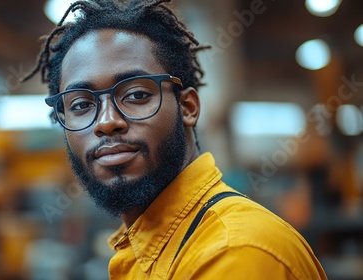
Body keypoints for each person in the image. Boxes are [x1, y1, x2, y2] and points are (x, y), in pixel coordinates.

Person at [21, 0, 327, 279]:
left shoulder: (235, 254)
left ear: (188, 107)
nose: (106, 122)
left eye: (136, 95)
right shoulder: (148, 246)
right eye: (81, 105)